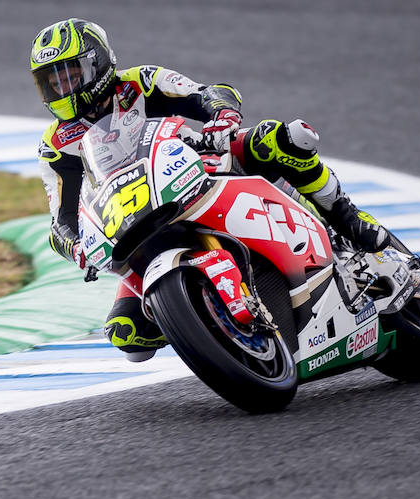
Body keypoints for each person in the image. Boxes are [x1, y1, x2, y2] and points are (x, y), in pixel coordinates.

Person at [30, 18, 390, 362]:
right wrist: (76, 247)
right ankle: (208, 321)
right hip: (134, 218)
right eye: (52, 82)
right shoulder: (56, 144)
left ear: (99, 64)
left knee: (279, 139)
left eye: (71, 74)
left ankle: (346, 216)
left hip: (195, 163)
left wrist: (222, 116)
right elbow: (60, 219)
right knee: (127, 334)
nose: (63, 88)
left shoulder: (142, 81)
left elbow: (207, 94)